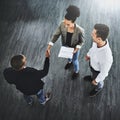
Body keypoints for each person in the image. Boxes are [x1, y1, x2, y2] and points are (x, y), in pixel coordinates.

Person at [46, 5, 84, 79]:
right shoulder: (62, 24)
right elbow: (56, 35)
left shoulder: (80, 30)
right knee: (68, 57)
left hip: (74, 49)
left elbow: (82, 41)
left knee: (75, 61)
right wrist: (50, 45)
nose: (65, 26)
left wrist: (76, 49)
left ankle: (76, 71)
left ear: (73, 22)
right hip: (65, 46)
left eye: (68, 24)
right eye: (65, 23)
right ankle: (69, 62)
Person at [84, 23, 113, 97]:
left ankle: (98, 88)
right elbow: (92, 49)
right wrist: (88, 55)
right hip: (93, 65)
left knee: (99, 82)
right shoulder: (96, 42)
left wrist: (96, 80)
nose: (91, 35)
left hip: (98, 72)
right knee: (93, 74)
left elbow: (104, 73)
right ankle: (92, 77)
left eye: (93, 34)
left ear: (99, 39)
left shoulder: (107, 57)